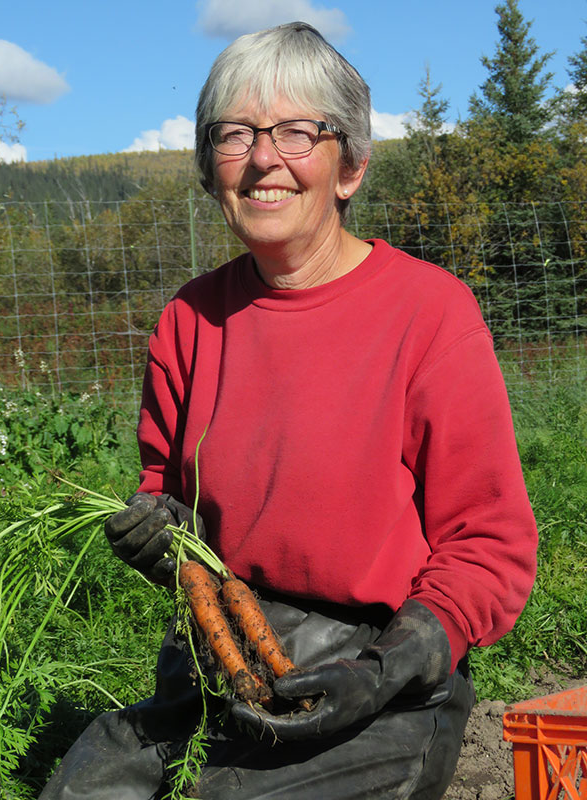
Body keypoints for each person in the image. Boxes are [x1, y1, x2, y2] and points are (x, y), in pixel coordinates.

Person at [39, 21, 538, 800]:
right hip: (218, 670)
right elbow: (167, 496)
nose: (264, 158)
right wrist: (155, 534)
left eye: (299, 132)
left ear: (352, 166)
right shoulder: (189, 320)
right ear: (211, 168)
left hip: (379, 689)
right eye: (236, 134)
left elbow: (491, 545)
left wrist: (386, 668)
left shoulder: (429, 314)